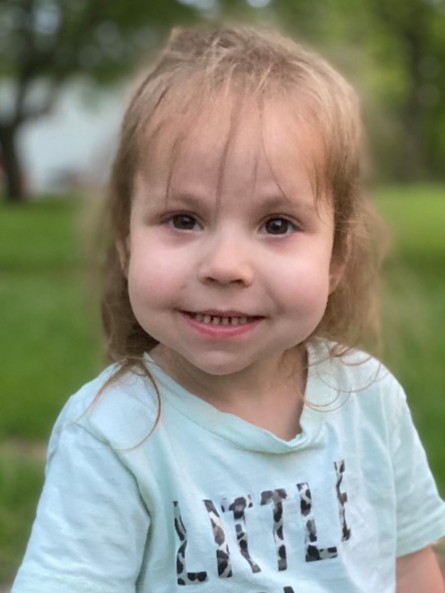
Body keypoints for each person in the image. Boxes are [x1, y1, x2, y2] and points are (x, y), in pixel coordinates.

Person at [12, 26, 445, 593]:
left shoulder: (368, 398)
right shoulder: (114, 435)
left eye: (277, 224)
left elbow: (409, 566)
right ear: (126, 244)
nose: (225, 266)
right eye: (184, 220)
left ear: (336, 257)